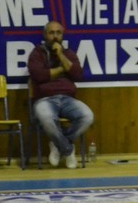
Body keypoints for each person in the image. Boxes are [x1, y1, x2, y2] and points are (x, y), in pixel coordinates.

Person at [27, 21, 94, 169]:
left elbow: (77, 74)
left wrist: (61, 55)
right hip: (44, 99)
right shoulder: (37, 54)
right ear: (45, 35)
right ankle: (68, 150)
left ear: (63, 35)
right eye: (51, 33)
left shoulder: (68, 54)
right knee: (46, 118)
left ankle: (58, 145)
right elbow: (39, 76)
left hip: (68, 99)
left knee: (87, 116)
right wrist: (64, 69)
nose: (55, 36)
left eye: (58, 33)